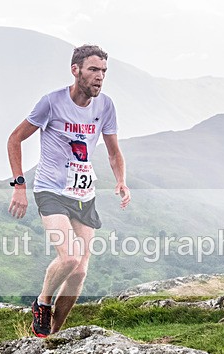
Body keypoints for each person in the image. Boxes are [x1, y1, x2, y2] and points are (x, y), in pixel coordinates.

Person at [7, 44, 131, 337]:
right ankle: (43, 301)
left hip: (84, 194)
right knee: (70, 257)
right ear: (76, 70)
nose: (99, 77)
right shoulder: (51, 103)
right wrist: (19, 185)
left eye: (103, 71)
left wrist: (121, 180)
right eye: (93, 70)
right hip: (51, 190)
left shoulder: (106, 106)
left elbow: (114, 152)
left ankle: (51, 334)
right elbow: (15, 139)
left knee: (79, 272)